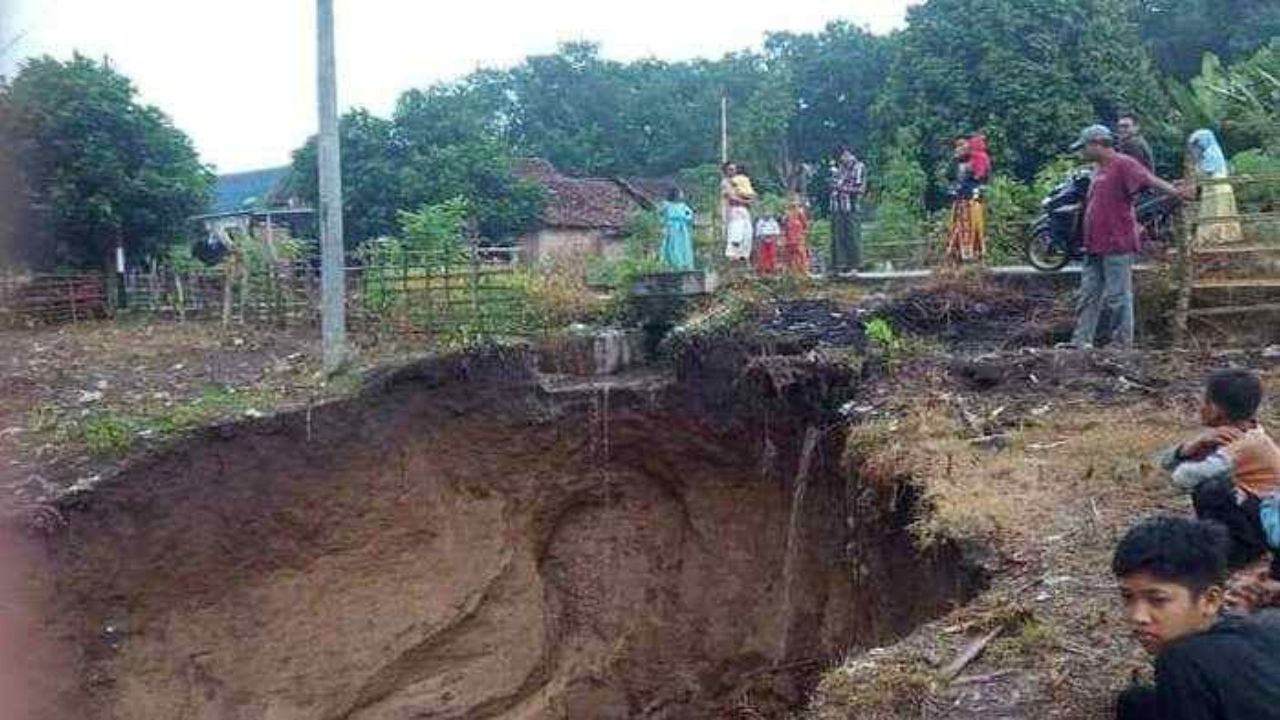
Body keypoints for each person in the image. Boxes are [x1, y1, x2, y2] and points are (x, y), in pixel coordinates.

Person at [1112, 516, 1280, 720]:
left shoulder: (1183, 660)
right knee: (1136, 702)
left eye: (1158, 600)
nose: (1138, 616)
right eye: (1127, 597)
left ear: (1210, 600)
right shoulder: (1263, 626)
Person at [1068, 124, 1192, 350]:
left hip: (1116, 241)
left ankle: (1121, 345)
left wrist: (1176, 192)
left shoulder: (1123, 163)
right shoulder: (1098, 168)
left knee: (1117, 296)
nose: (1082, 152)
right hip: (1094, 243)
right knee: (1088, 295)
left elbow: (1149, 179)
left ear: (1097, 143)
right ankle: (1080, 341)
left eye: (1084, 147)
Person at [1158, 368, 1280, 573]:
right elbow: (1164, 463)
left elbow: (1183, 477)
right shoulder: (1240, 434)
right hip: (1260, 515)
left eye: (1204, 401)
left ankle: (1235, 554)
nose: (1200, 407)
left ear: (1215, 409)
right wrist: (1188, 448)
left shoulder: (1245, 443)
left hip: (1268, 521)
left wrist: (1194, 456)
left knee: (1211, 489)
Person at [1188, 129, 1244, 246]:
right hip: (1217, 185)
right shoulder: (1213, 151)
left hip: (1215, 185)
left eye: (1197, 144)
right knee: (1217, 212)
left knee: (1215, 212)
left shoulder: (1210, 153)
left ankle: (1216, 238)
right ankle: (1224, 237)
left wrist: (1196, 164)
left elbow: (1204, 172)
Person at [946, 135, 990, 263]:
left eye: (962, 144)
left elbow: (981, 178)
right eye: (957, 146)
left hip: (972, 201)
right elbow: (949, 176)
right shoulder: (957, 163)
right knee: (957, 228)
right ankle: (957, 256)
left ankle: (974, 256)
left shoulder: (978, 159)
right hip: (960, 201)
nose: (959, 148)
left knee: (974, 228)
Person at [829, 147, 866, 276]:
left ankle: (854, 266)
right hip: (836, 207)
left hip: (851, 207)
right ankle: (839, 266)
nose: (842, 158)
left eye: (844, 155)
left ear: (850, 154)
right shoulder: (838, 168)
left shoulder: (858, 167)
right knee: (837, 237)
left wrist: (841, 188)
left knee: (852, 236)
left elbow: (860, 189)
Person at [721, 162, 754, 263]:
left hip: (745, 211)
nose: (733, 171)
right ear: (726, 171)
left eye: (734, 169)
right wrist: (746, 201)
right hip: (735, 210)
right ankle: (732, 257)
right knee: (736, 234)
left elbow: (750, 194)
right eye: (730, 169)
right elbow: (731, 198)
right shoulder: (726, 182)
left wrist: (749, 200)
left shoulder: (741, 181)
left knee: (747, 234)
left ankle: (743, 257)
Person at [659, 187, 695, 271]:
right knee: (672, 245)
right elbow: (660, 214)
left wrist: (686, 220)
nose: (682, 195)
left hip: (682, 229)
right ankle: (672, 263)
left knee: (683, 245)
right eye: (680, 193)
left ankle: (684, 263)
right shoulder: (666, 205)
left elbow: (690, 214)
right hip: (671, 227)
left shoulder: (683, 206)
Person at [782, 193, 811, 276]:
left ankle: (804, 271)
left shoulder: (800, 212)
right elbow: (784, 226)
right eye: (791, 201)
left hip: (798, 237)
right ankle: (789, 272)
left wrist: (804, 234)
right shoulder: (787, 213)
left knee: (801, 254)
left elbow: (805, 225)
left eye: (795, 201)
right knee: (789, 255)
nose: (793, 203)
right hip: (789, 237)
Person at [754, 210, 781, 275]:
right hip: (763, 239)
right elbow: (758, 232)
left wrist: (774, 238)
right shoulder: (760, 222)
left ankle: (773, 269)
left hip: (772, 239)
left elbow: (777, 231)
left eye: (768, 213)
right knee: (763, 255)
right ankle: (763, 269)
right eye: (765, 213)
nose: (767, 214)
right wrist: (760, 239)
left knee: (772, 254)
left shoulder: (774, 222)